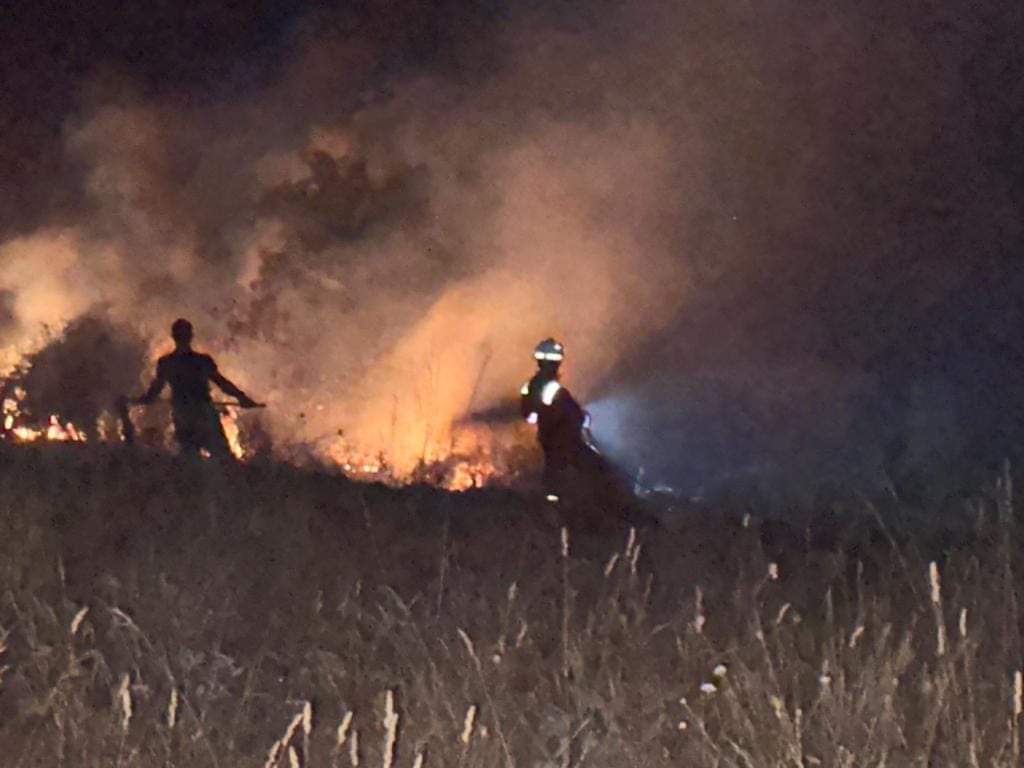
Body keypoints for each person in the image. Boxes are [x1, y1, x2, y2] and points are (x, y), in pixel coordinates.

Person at [131, 318, 262, 458]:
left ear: (174, 337)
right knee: (222, 458)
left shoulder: (167, 363)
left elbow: (153, 393)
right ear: (191, 336)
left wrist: (139, 400)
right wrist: (242, 397)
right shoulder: (201, 361)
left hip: (184, 415)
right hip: (204, 414)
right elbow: (222, 383)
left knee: (190, 458)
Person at [519, 338, 594, 501]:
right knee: (569, 466)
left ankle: (554, 496)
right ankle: (559, 498)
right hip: (560, 436)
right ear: (557, 363)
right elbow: (571, 411)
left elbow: (529, 415)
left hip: (548, 434)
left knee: (554, 465)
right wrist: (582, 418)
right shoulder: (553, 388)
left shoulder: (530, 386)